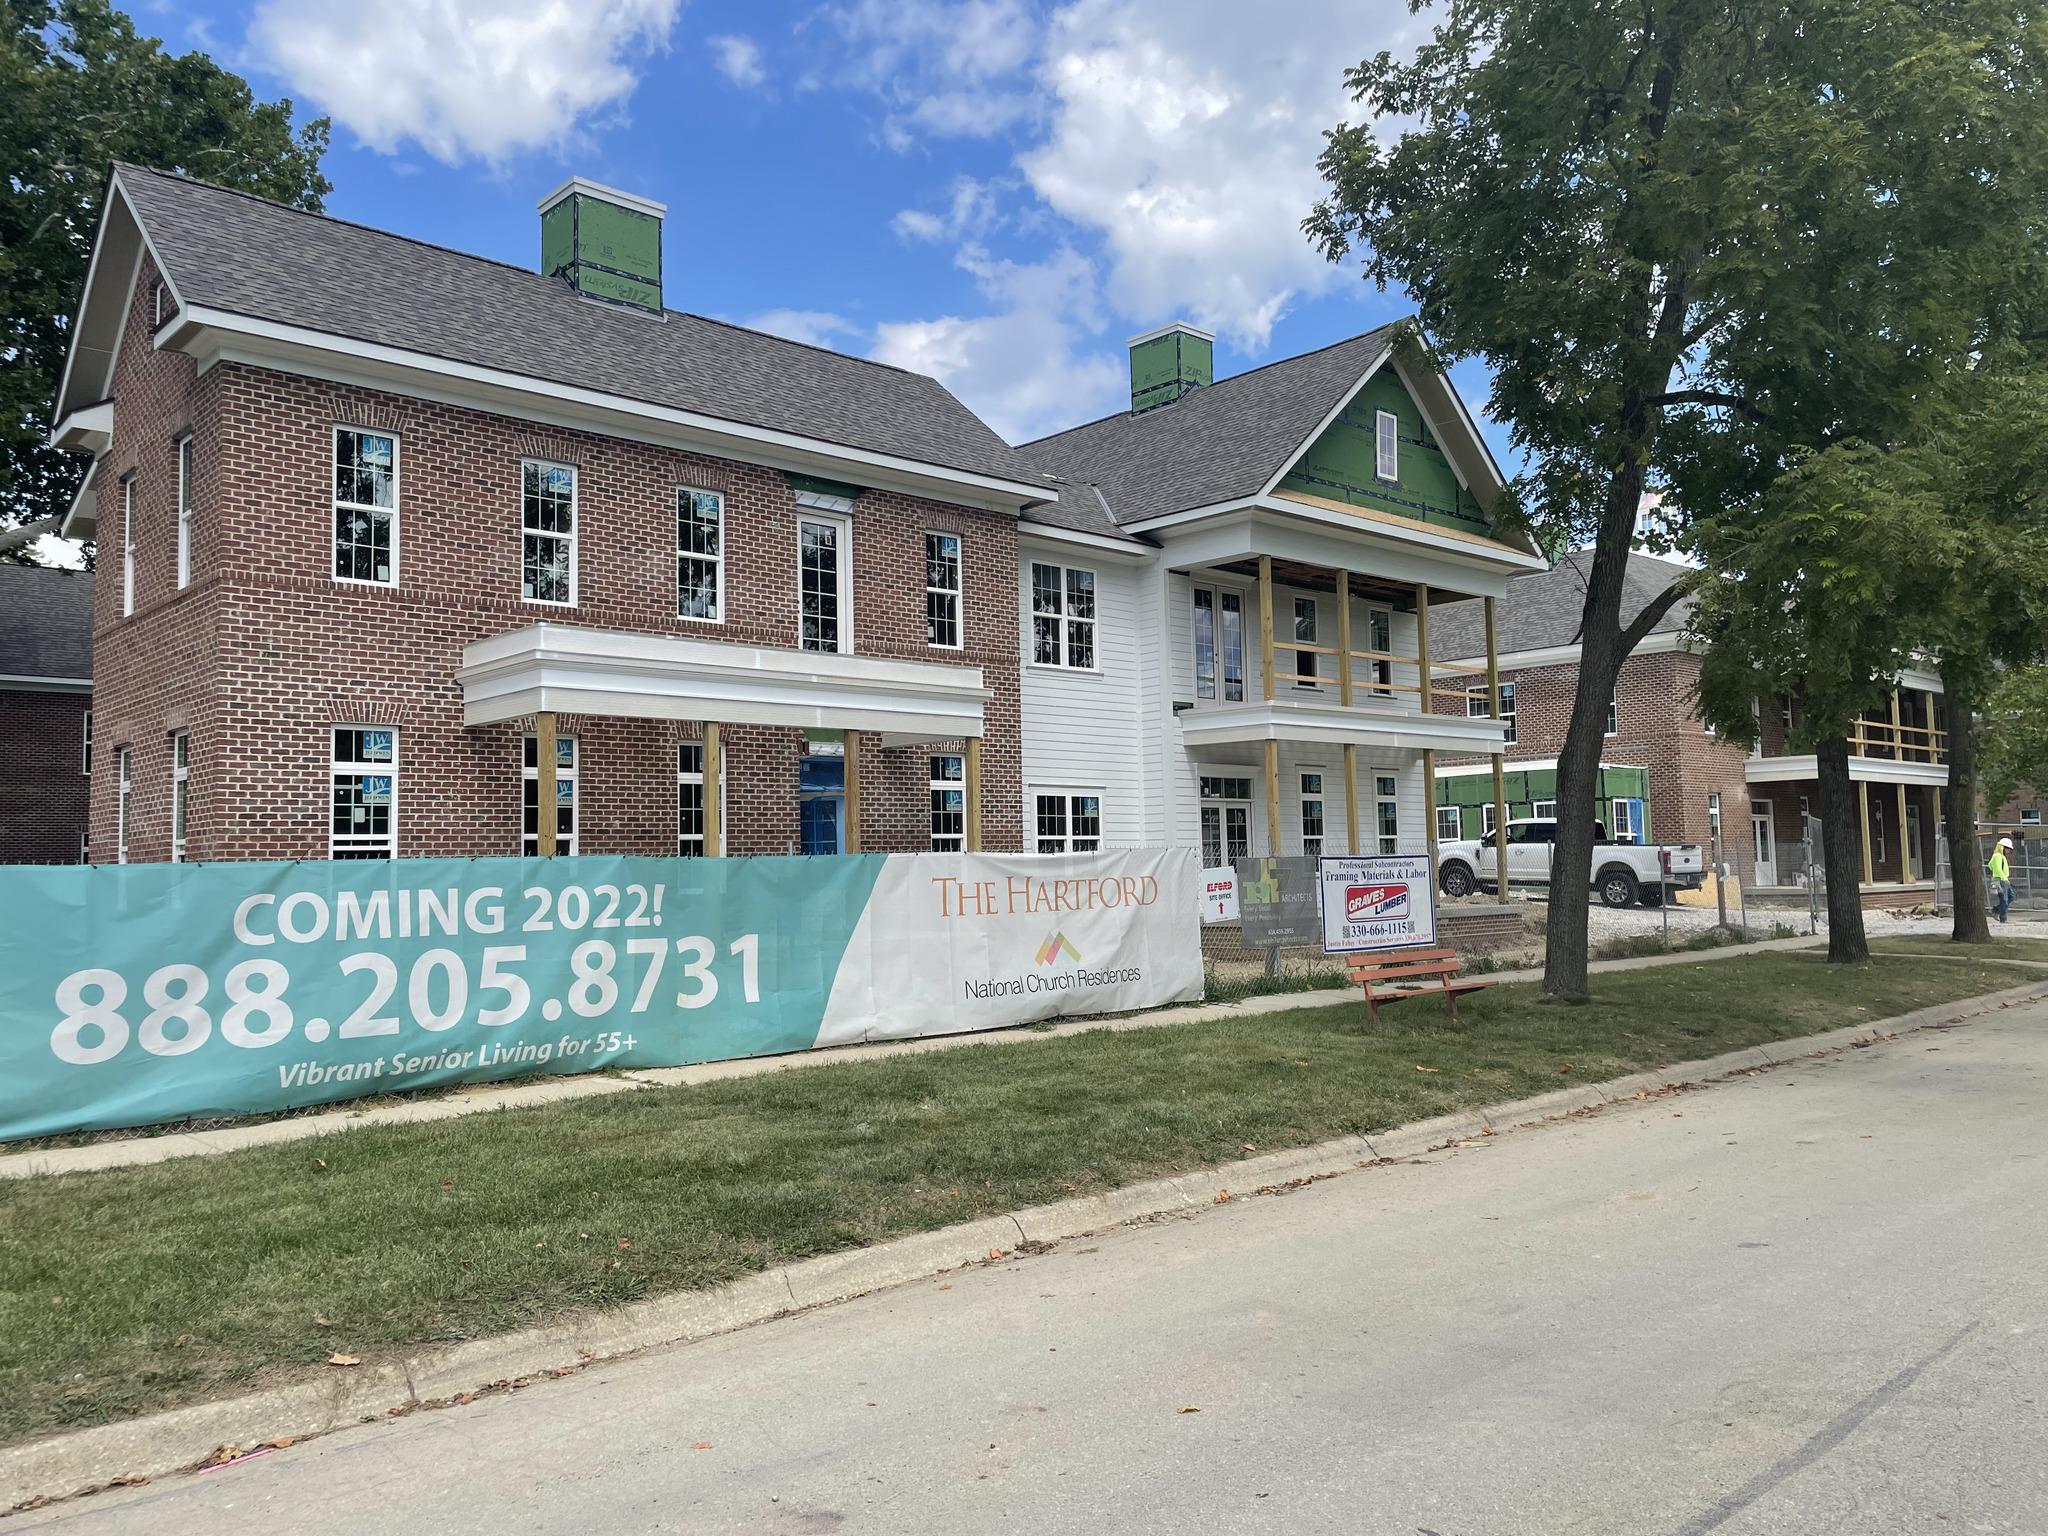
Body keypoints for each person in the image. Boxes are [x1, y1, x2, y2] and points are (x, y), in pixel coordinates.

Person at [1989, 836, 2015, 924]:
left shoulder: (2000, 856)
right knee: (2005, 900)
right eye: (2007, 848)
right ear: (2002, 847)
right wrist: (2003, 877)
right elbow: (1997, 868)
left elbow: (1990, 865)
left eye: (2009, 849)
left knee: (2010, 897)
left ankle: (1996, 910)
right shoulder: (1997, 856)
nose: (2009, 850)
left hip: (2003, 879)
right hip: (2001, 880)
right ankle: (2002, 918)